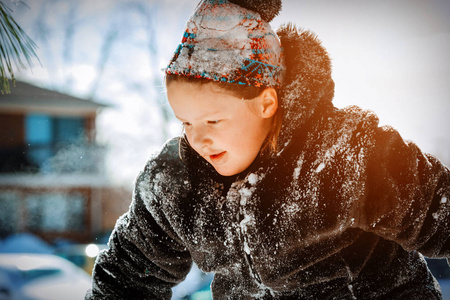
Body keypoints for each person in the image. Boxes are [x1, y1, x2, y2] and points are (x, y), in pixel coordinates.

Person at [86, 0, 450, 299]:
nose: (197, 139)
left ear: (266, 103)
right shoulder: (176, 181)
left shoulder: (346, 152)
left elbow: (439, 210)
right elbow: (127, 276)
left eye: (213, 121)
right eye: (186, 122)